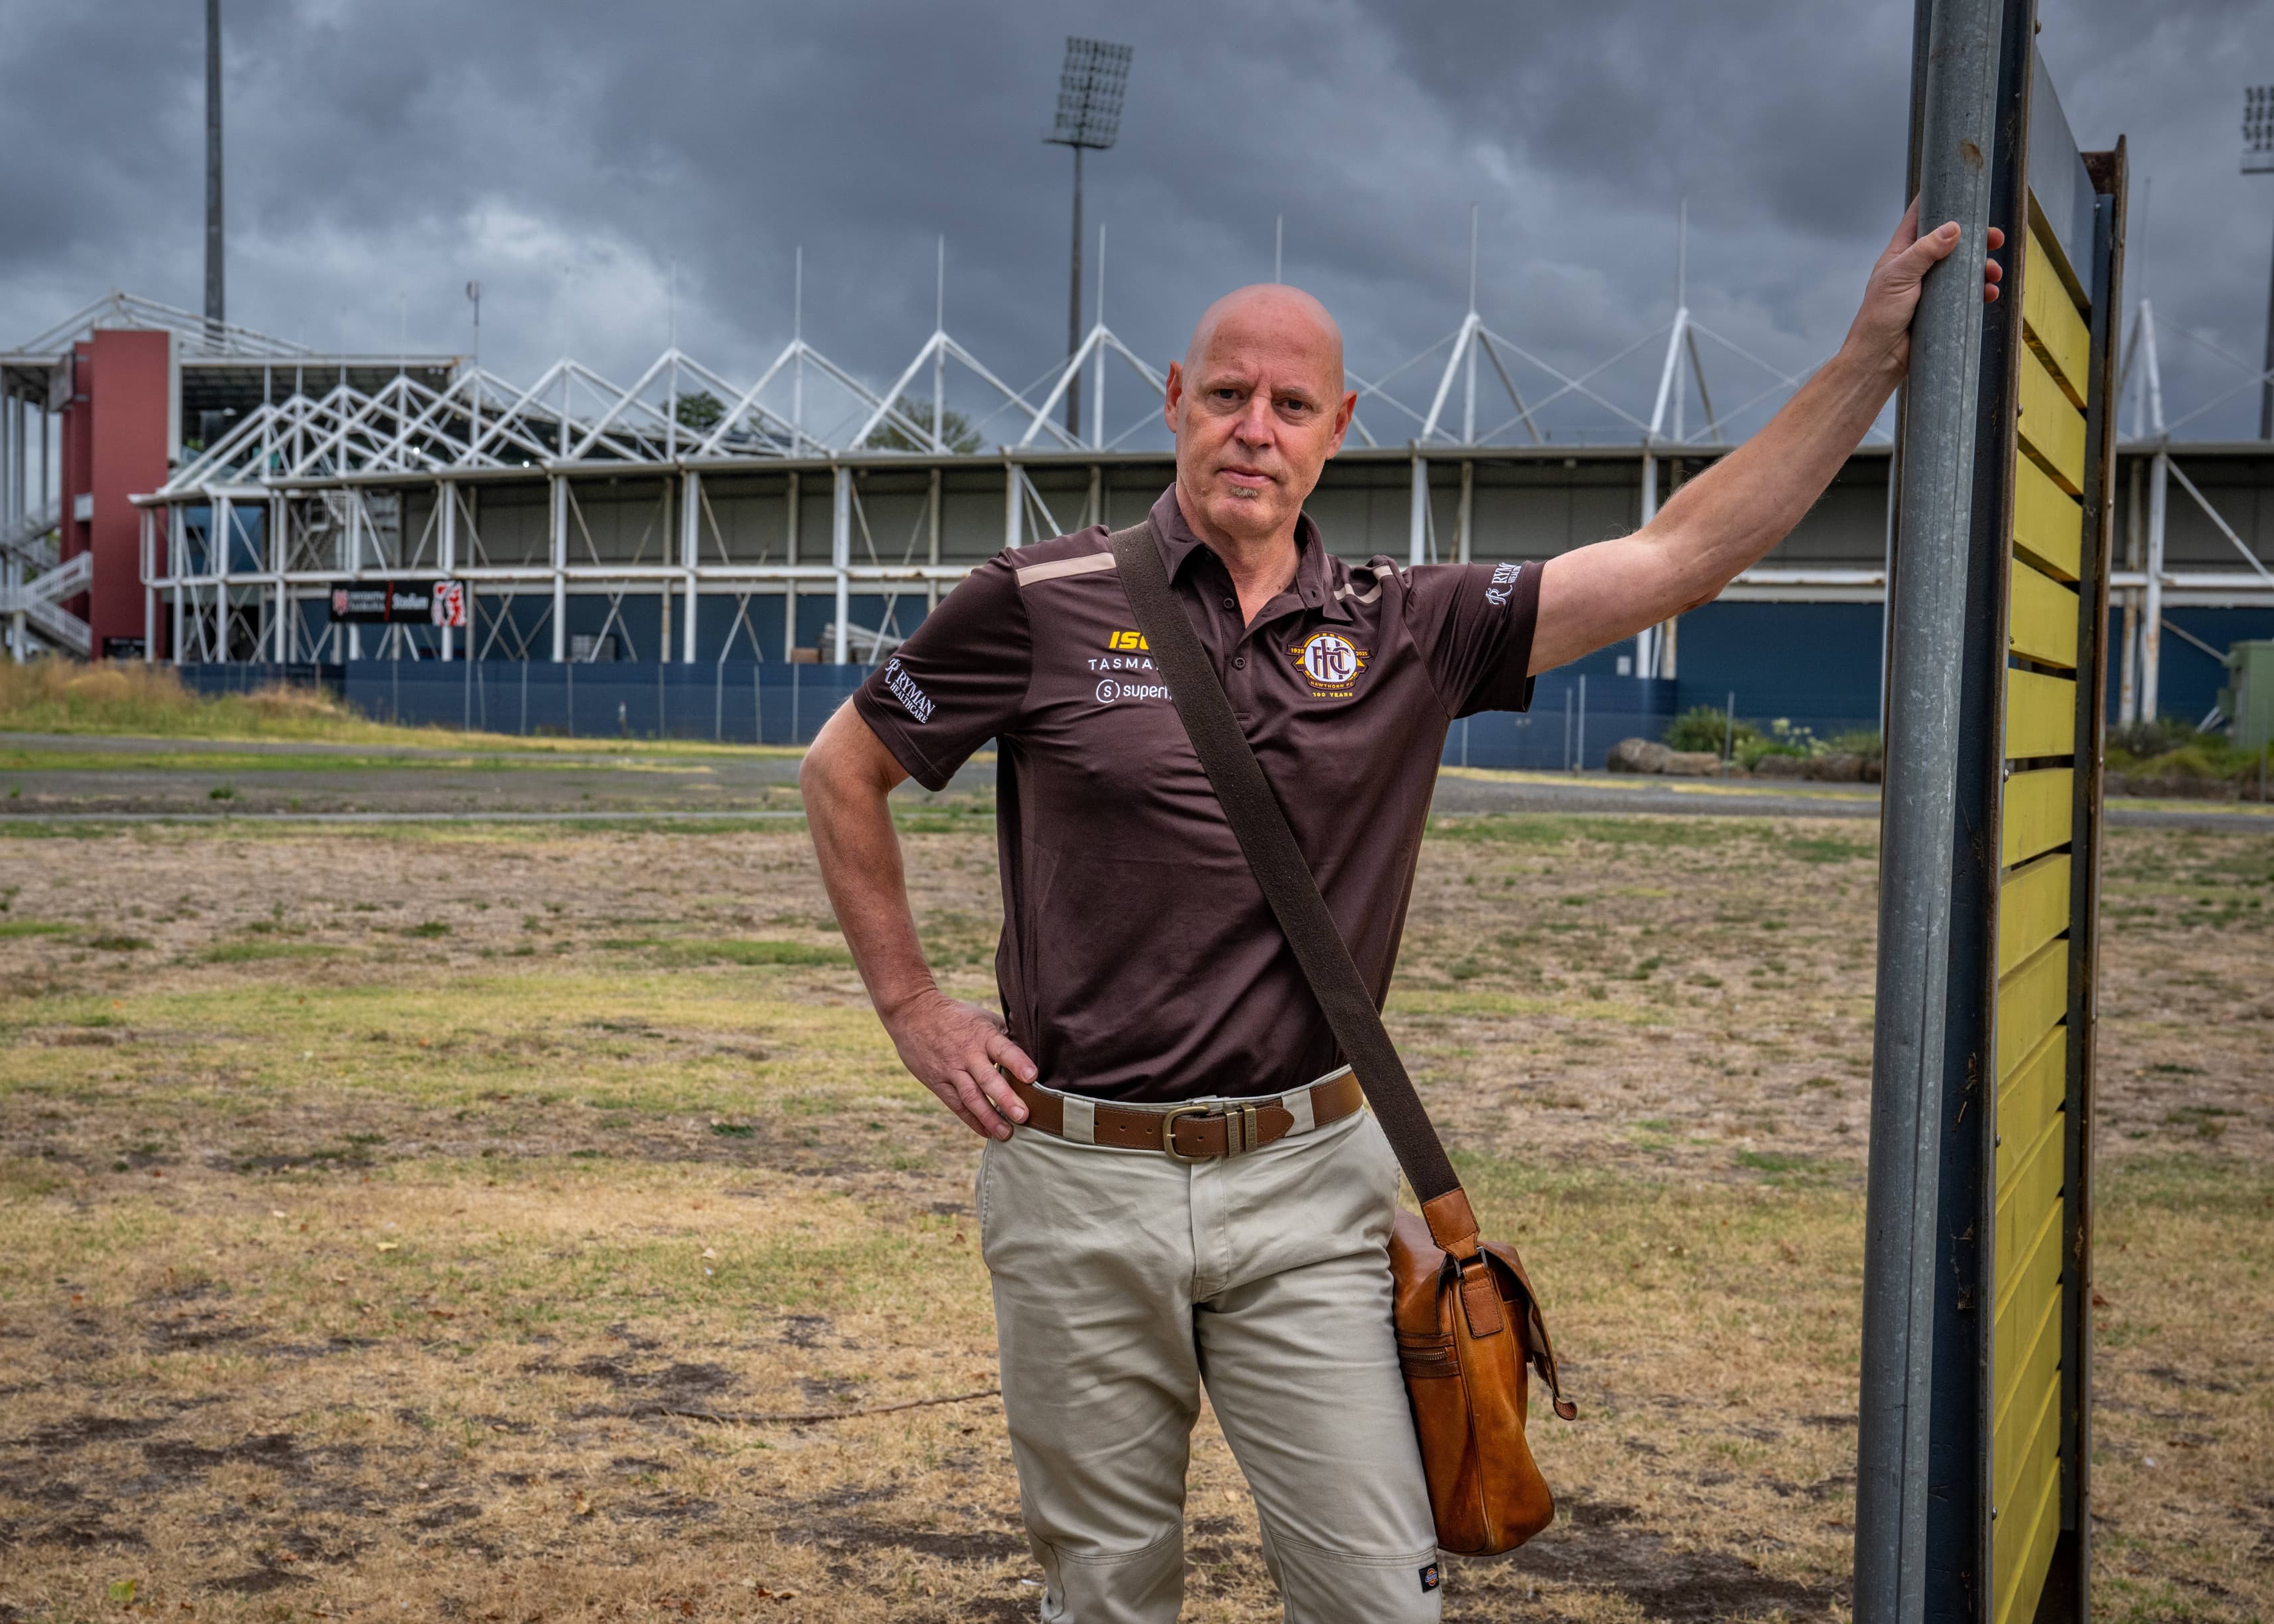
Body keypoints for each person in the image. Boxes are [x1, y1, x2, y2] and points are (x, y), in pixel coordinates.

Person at [801, 206, 2001, 1623]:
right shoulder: (1038, 599)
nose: (1257, 426)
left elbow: (1681, 554)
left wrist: (1870, 358)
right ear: (1175, 402)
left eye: (1292, 403)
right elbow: (844, 769)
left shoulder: (1408, 622)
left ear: (1338, 427)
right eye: (1230, 393)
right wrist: (912, 1005)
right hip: (1082, 1181)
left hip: (1309, 1190)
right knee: (1105, 1594)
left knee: (1379, 1596)